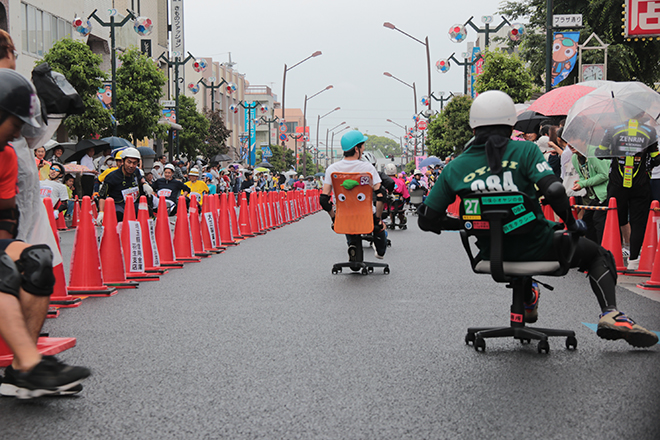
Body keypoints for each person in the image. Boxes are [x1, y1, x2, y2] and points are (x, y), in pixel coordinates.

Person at [417, 90, 657, 348]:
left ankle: (528, 296)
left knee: (518, 241)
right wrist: (572, 222)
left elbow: (427, 220)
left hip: (490, 254)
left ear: (473, 126)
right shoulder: (526, 151)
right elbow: (553, 190)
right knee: (598, 255)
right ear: (511, 124)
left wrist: (467, 223)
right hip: (540, 248)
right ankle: (611, 313)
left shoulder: (456, 166)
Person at [0, 67, 91, 398]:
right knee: (2, 270)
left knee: (36, 261)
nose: (18, 134)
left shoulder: (7, 157)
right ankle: (31, 362)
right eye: (15, 125)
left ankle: (21, 371)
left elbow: (5, 218)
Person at [595, 118, 660, 270]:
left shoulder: (613, 128)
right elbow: (657, 158)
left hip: (617, 184)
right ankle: (633, 259)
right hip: (641, 183)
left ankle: (610, 256)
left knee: (614, 218)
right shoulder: (649, 131)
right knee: (638, 221)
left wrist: (617, 153)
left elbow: (600, 153)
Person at [320, 130, 387, 260]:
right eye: (363, 146)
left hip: (343, 215)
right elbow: (381, 194)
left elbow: (323, 199)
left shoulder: (332, 169)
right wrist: (377, 218)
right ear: (357, 149)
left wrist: (334, 218)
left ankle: (352, 245)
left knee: (347, 218)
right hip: (366, 214)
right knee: (379, 226)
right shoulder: (368, 168)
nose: (363, 148)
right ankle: (380, 250)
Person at [568, 137, 609, 244]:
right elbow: (583, 176)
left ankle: (602, 248)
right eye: (568, 141)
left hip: (605, 193)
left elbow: (604, 174)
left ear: (584, 141)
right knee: (587, 220)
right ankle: (594, 249)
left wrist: (583, 183)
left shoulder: (594, 153)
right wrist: (579, 183)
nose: (570, 144)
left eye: (573, 141)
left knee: (598, 221)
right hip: (594, 196)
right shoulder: (574, 158)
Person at [97, 147, 152, 223]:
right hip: (118, 205)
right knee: (119, 214)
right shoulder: (111, 177)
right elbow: (102, 196)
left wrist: (145, 184)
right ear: (123, 161)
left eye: (134, 163)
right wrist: (101, 212)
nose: (131, 166)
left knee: (146, 209)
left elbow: (140, 179)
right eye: (129, 162)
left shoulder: (136, 171)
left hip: (133, 204)